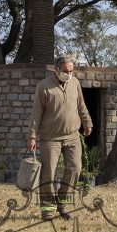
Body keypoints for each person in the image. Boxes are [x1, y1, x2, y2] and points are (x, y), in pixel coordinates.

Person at [28, 56, 92, 221]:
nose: (69, 74)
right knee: (48, 174)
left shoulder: (75, 83)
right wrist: (32, 136)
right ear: (56, 70)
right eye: (65, 71)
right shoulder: (43, 87)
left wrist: (87, 122)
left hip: (72, 136)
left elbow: (81, 105)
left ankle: (62, 203)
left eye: (71, 71)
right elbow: (36, 114)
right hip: (51, 138)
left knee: (75, 168)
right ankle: (48, 209)